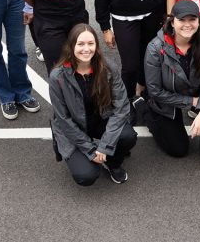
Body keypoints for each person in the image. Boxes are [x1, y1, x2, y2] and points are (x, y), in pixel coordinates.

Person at [49, 24, 137, 186]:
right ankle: (82, 153)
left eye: (91, 43)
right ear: (71, 46)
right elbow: (63, 119)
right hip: (74, 126)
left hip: (101, 118)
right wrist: (90, 150)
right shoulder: (57, 76)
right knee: (86, 175)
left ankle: (112, 163)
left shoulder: (108, 68)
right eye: (80, 44)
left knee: (128, 136)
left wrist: (105, 146)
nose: (86, 49)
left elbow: (122, 107)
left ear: (96, 46)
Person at [143, 0, 200, 168]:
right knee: (179, 150)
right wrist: (192, 102)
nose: (187, 25)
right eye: (182, 20)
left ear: (199, 21)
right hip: (167, 97)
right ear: (172, 22)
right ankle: (146, 113)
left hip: (197, 91)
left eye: (192, 19)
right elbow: (155, 91)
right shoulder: (155, 48)